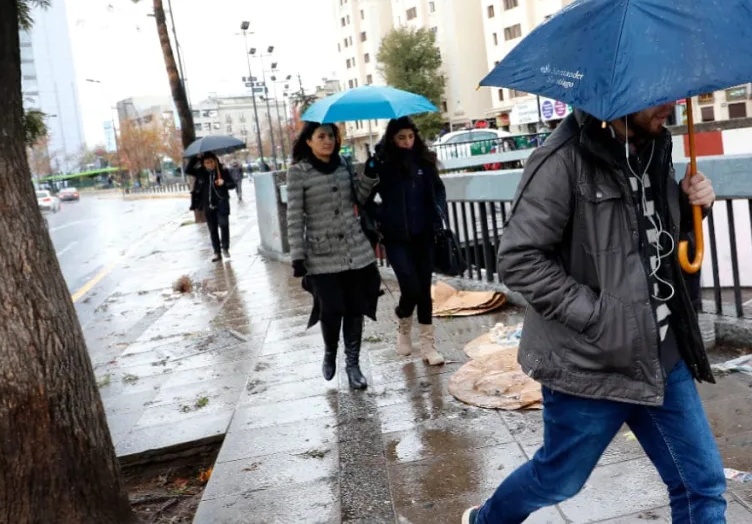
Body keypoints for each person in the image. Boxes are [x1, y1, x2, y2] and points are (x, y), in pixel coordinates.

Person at [463, 106, 723, 524]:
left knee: (702, 486)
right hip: (591, 364)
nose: (668, 106)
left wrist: (695, 207)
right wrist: (600, 319)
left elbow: (656, 243)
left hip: (662, 355)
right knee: (558, 480)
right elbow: (519, 259)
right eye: (655, 96)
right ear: (618, 98)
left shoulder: (655, 148)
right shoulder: (561, 159)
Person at [287, 121, 381, 390]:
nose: (328, 141)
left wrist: (370, 174)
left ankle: (353, 364)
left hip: (355, 249)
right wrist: (298, 255)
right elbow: (294, 217)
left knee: (355, 308)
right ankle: (330, 351)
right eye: (321, 136)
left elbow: (359, 199)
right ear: (309, 140)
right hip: (321, 253)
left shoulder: (344, 165)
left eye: (331, 136)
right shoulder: (298, 173)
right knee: (331, 309)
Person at [365, 116, 446, 366]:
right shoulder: (382, 164)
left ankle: (428, 345)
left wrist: (439, 212)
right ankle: (402, 322)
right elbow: (365, 199)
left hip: (425, 235)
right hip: (396, 237)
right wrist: (382, 216)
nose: (407, 142)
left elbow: (439, 190)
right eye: (401, 138)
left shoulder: (425, 160)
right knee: (410, 286)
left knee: (424, 291)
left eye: (411, 136)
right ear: (392, 138)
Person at [187, 152, 236, 262]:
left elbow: (232, 185)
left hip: (222, 203)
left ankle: (225, 247)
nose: (209, 164)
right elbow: (188, 170)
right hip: (207, 205)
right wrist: (195, 157)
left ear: (215, 161)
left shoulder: (222, 171)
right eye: (207, 162)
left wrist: (224, 183)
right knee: (212, 229)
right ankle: (217, 252)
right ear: (203, 163)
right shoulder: (200, 172)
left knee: (224, 224)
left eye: (211, 162)